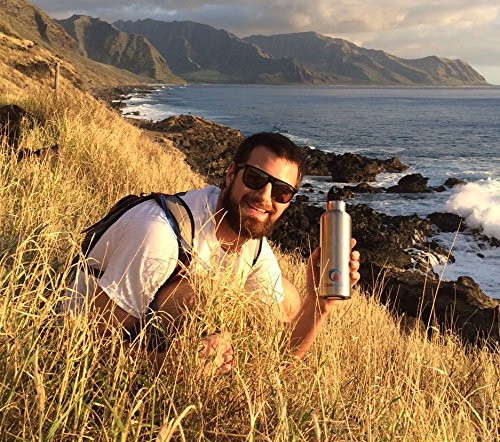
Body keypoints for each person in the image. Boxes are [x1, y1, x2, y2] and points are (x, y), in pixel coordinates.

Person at [64, 132, 360, 373]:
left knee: (288, 299)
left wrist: (319, 305)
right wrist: (174, 365)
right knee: (195, 296)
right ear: (231, 174)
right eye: (255, 179)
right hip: (80, 340)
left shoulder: (254, 247)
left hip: (151, 333)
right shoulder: (159, 233)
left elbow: (280, 356)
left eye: (282, 192)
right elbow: (91, 341)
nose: (265, 197)